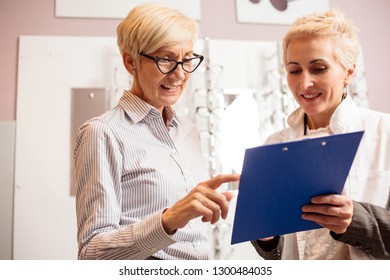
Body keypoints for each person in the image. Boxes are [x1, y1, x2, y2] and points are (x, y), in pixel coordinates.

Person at [74, 3, 239, 260]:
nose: (180, 74)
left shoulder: (189, 131)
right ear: (131, 61)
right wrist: (170, 219)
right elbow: (92, 252)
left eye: (186, 60)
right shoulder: (103, 133)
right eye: (166, 59)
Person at [251, 9, 390, 259]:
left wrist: (356, 221)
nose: (304, 84)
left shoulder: (385, 133)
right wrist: (266, 236)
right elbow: (274, 253)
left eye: (318, 69)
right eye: (295, 70)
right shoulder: (275, 145)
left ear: (349, 71)